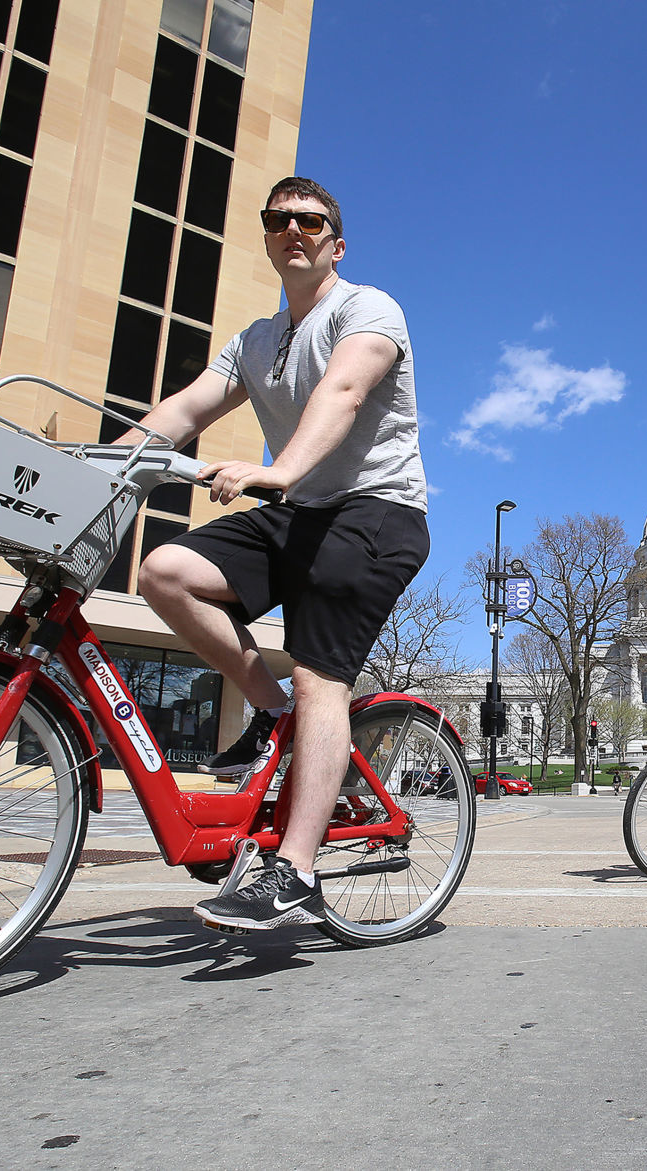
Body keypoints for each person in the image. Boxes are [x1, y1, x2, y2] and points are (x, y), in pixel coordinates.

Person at [129, 177, 429, 931]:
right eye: (279, 221)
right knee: (165, 572)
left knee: (322, 674)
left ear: (337, 240)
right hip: (298, 507)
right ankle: (271, 710)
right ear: (266, 237)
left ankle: (294, 871)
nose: (294, 230)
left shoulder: (368, 308)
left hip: (375, 513)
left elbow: (345, 390)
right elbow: (187, 407)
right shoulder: (256, 340)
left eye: (311, 221)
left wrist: (280, 469)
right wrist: (107, 459)